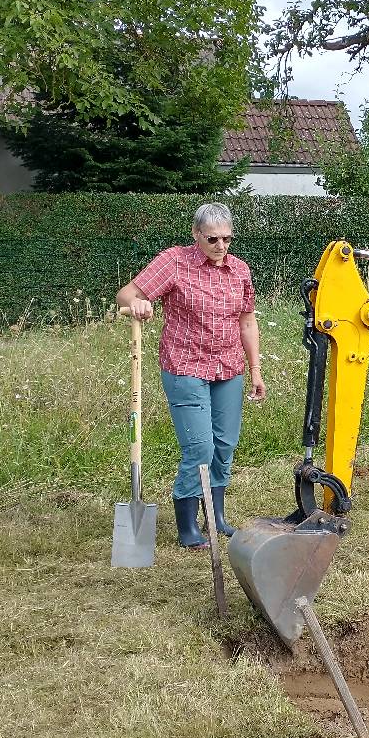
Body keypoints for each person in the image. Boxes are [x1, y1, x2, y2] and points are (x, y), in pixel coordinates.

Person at [116, 203, 265, 549]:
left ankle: (216, 516)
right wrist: (138, 304)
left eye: (227, 238)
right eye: (212, 238)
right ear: (196, 234)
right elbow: (127, 294)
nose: (221, 245)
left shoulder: (240, 270)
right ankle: (187, 526)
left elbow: (246, 320)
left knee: (224, 446)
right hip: (185, 367)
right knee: (200, 447)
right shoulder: (174, 262)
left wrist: (255, 369)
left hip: (229, 367)